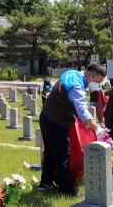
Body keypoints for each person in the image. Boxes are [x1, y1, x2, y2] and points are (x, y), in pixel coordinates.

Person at [38, 63, 107, 197]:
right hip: (56, 122)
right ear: (89, 74)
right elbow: (82, 110)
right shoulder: (77, 87)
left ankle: (45, 183)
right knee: (63, 155)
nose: (97, 86)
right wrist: (97, 128)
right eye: (97, 81)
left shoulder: (72, 74)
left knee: (51, 153)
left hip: (46, 117)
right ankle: (66, 190)